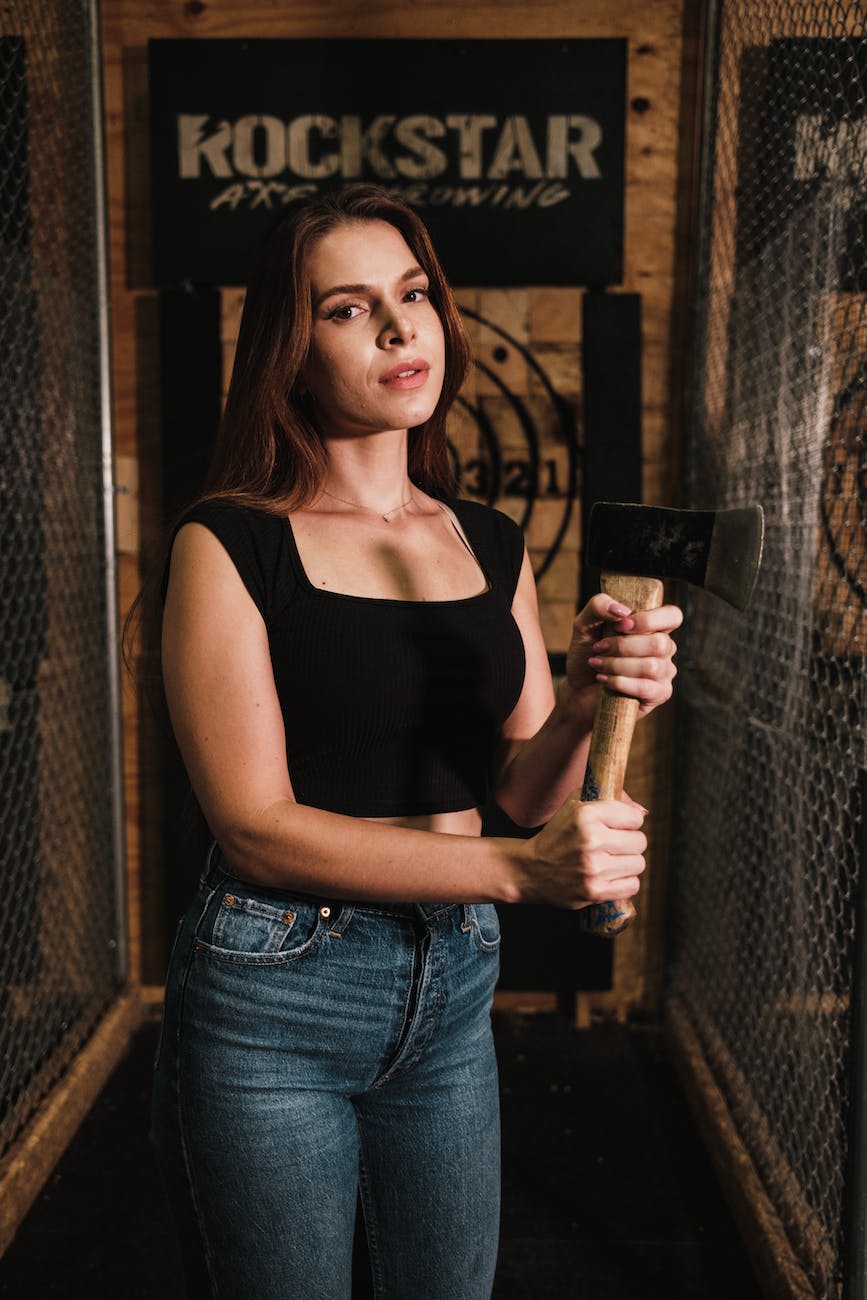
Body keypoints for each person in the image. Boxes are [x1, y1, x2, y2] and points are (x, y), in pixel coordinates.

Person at [145, 184, 681, 1300]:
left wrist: (586, 698)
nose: (401, 329)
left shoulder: (485, 538)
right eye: (348, 309)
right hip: (278, 989)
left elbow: (527, 787)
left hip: (453, 984)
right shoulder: (231, 542)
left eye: (415, 294)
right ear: (290, 349)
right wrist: (518, 871)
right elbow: (254, 829)